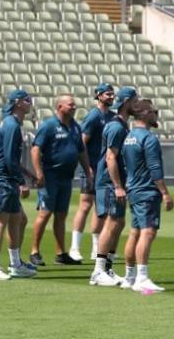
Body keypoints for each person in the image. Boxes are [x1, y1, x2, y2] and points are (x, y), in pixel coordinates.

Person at [29, 94, 93, 266]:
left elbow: (81, 151)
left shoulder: (75, 127)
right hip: (50, 177)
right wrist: (39, 173)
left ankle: (60, 253)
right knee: (45, 213)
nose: (74, 107)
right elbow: (35, 150)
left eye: (74, 104)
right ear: (60, 107)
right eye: (70, 105)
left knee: (61, 215)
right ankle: (34, 251)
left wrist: (87, 170)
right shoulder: (49, 126)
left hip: (66, 177)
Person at [0, 89, 38, 281]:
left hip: (6, 179)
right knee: (1, 222)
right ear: (17, 103)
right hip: (1, 181)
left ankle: (15, 264)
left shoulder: (10, 124)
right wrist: (21, 182)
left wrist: (26, 173)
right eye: (27, 100)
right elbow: (8, 158)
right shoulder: (11, 125)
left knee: (18, 219)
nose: (30, 103)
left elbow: (10, 157)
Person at [121, 99, 174, 292]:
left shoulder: (129, 137)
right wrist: (165, 193)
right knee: (147, 232)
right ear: (144, 114)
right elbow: (154, 168)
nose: (156, 115)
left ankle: (129, 276)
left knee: (135, 232)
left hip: (133, 189)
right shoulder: (148, 138)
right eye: (154, 111)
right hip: (146, 190)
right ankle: (142, 278)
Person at [89, 86, 134, 287]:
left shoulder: (121, 125)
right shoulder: (116, 127)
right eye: (135, 101)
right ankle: (98, 271)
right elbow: (110, 157)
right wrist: (117, 186)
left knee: (118, 222)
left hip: (116, 181)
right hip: (109, 182)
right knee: (112, 222)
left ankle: (107, 268)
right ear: (126, 103)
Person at [70, 83, 114, 262]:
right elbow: (82, 142)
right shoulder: (94, 116)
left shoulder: (112, 116)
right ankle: (75, 247)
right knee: (85, 204)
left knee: (100, 207)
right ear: (99, 95)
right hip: (92, 167)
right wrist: (87, 167)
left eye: (112, 94)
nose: (111, 97)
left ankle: (97, 246)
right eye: (108, 94)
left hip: (104, 168)